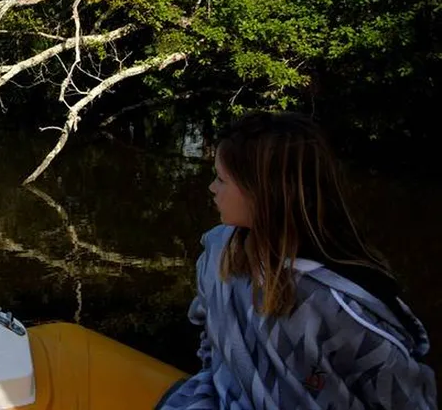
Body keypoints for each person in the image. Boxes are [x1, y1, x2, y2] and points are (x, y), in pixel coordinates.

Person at [158, 111, 437, 409]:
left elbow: (407, 400)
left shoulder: (342, 308)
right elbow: (208, 334)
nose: (212, 188)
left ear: (263, 193)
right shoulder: (217, 250)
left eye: (221, 179)